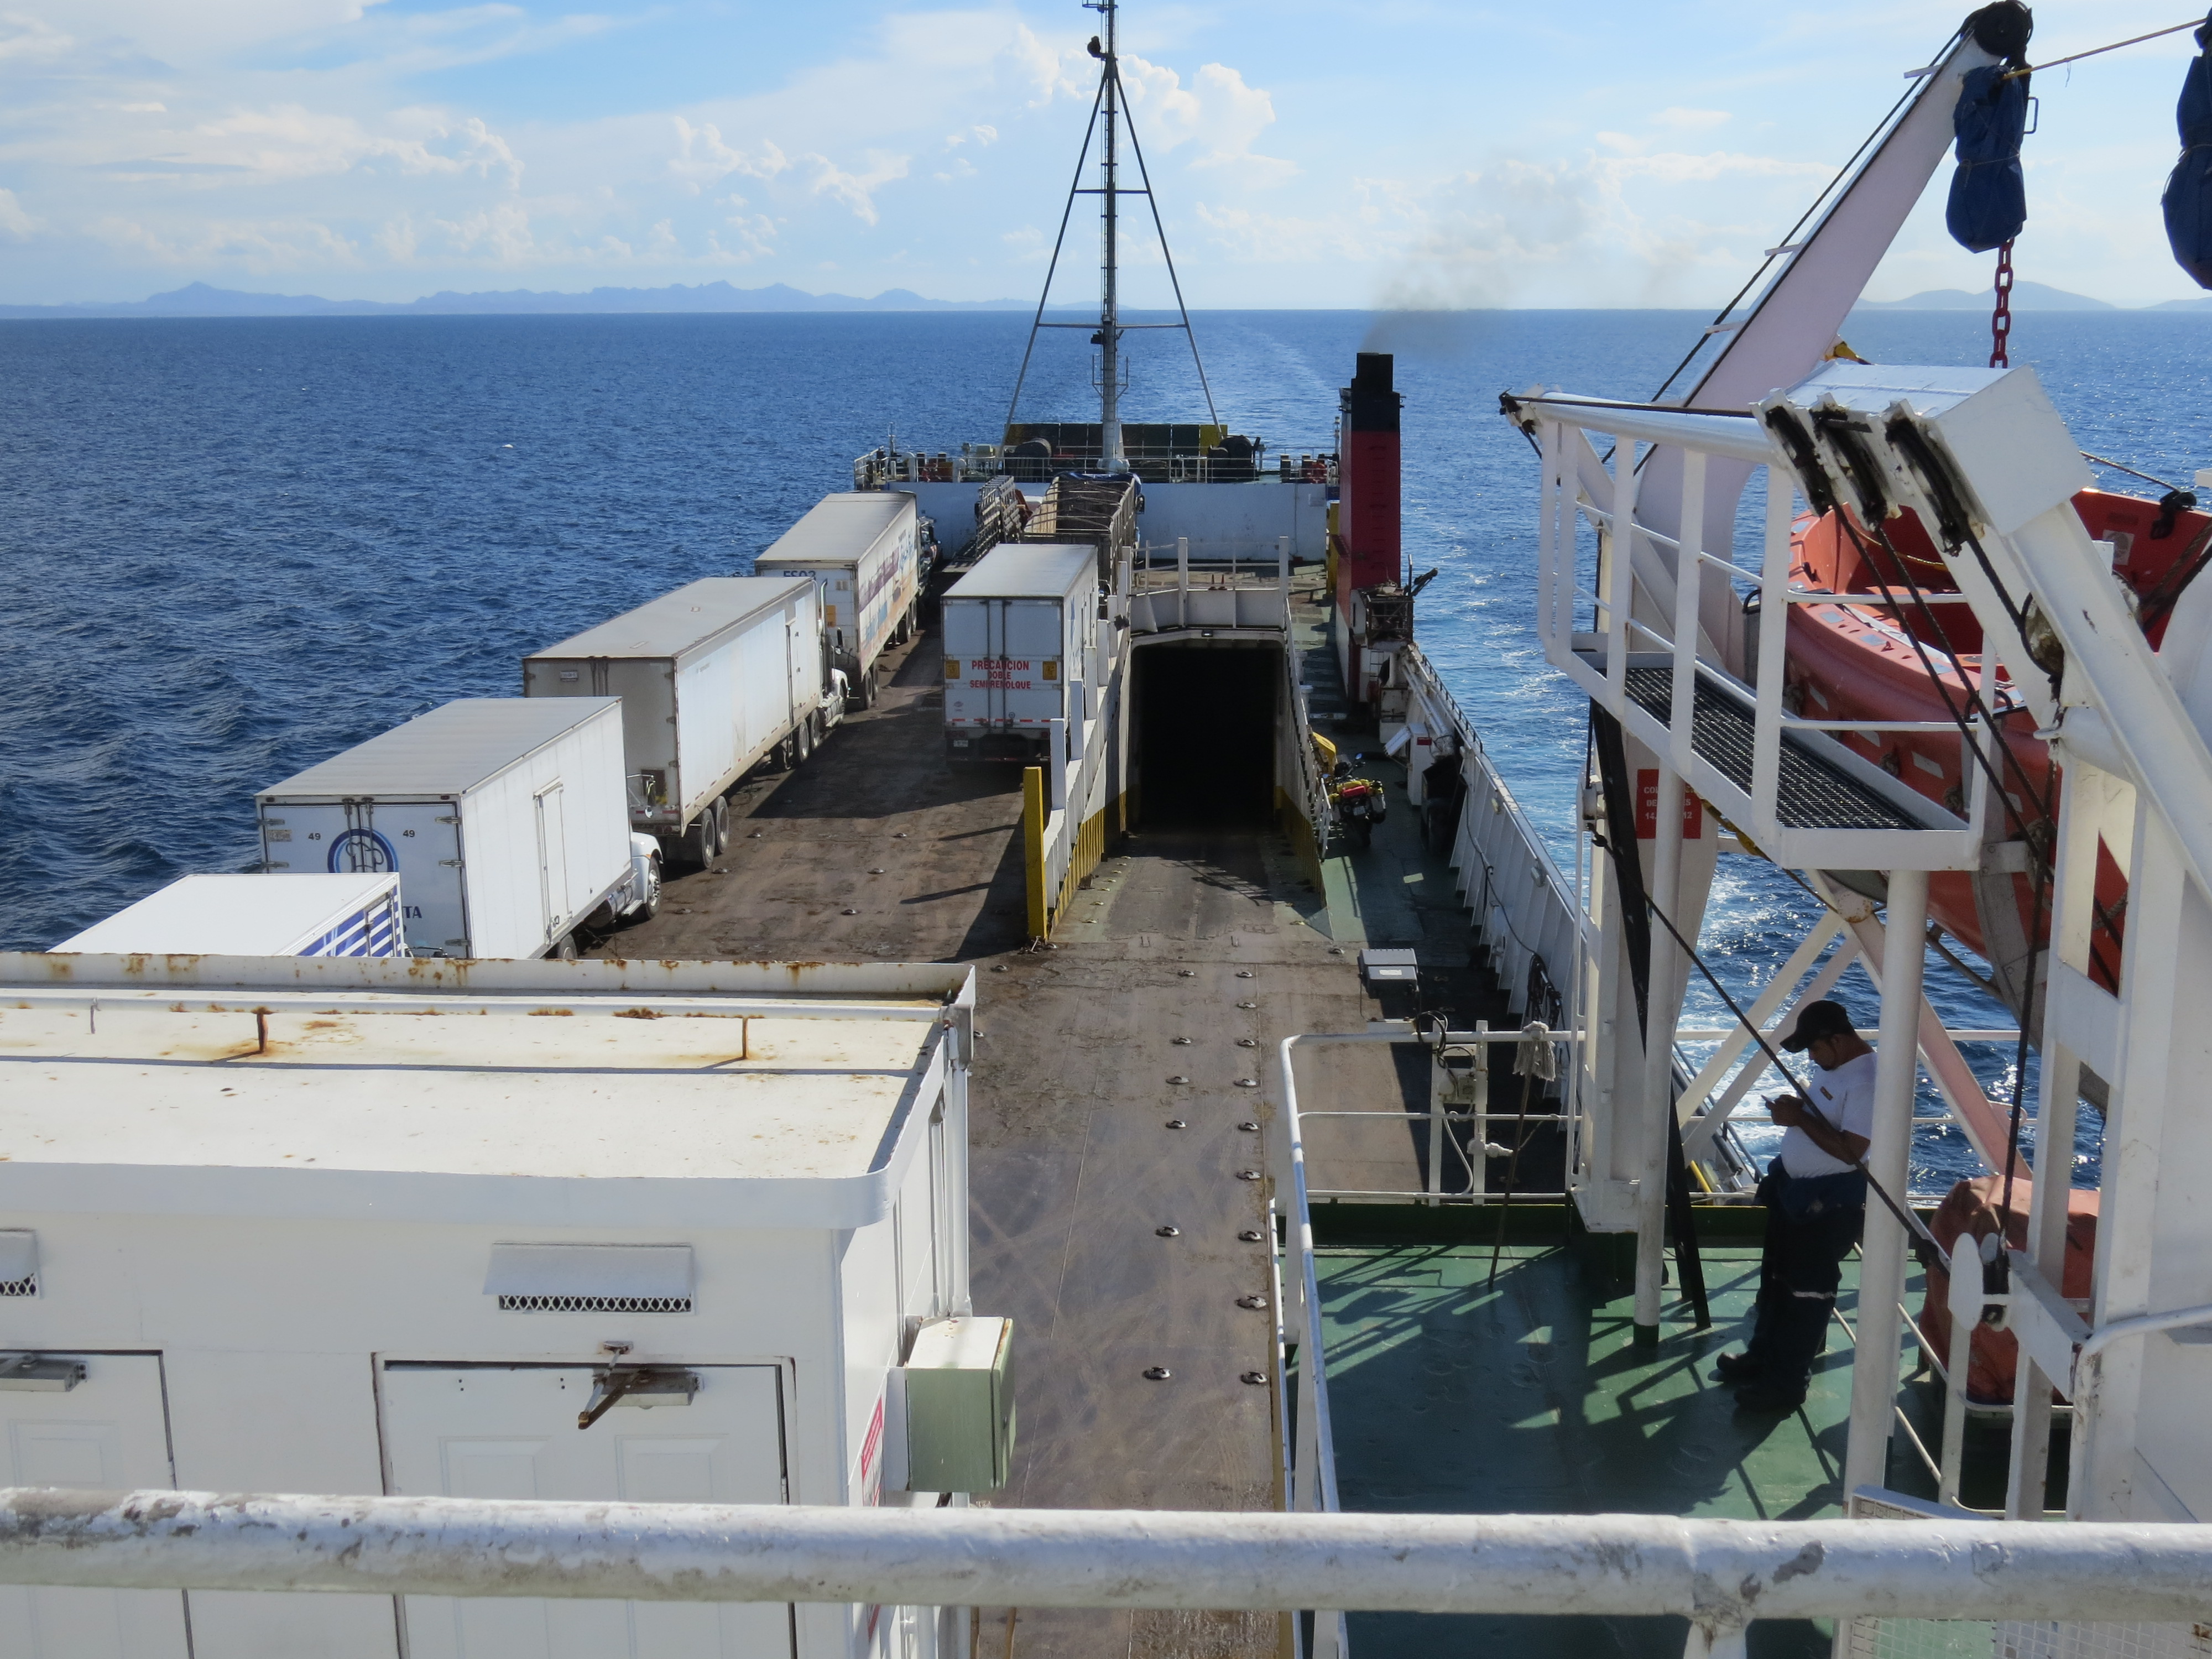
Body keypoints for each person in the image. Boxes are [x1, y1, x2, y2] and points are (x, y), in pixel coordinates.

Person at [1715, 998, 1876, 1412]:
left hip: (1829, 1205)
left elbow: (1853, 1152)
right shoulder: (1836, 1067)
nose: (1811, 1058)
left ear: (1837, 1041)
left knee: (1806, 1292)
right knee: (1777, 1280)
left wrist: (1799, 1119)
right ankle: (1762, 1357)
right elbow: (1827, 1117)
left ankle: (1786, 1385)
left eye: (1815, 1049)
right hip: (1796, 1195)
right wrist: (1798, 1107)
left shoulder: (1867, 1082)